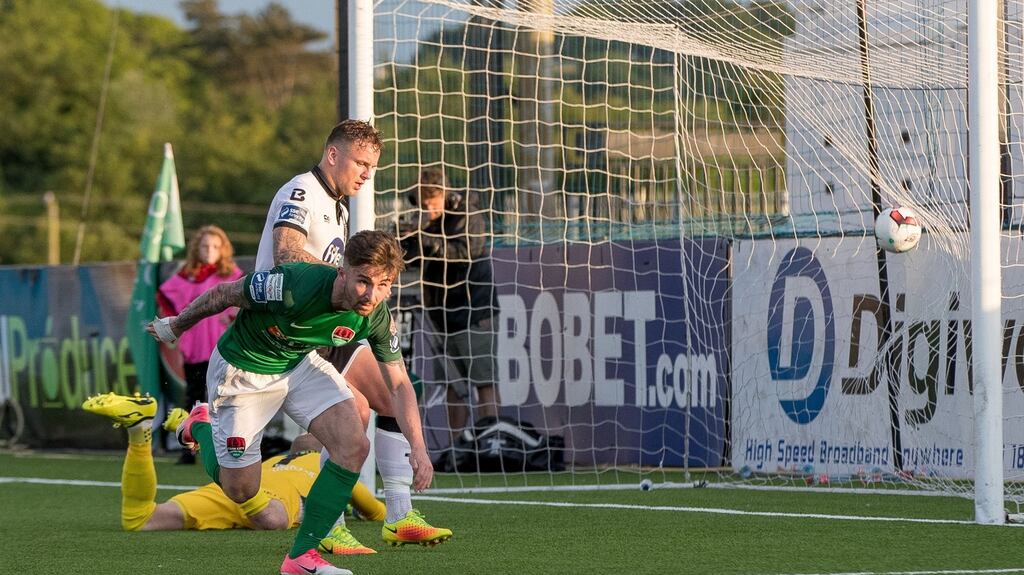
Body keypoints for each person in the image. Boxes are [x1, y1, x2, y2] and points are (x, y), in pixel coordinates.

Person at [146, 231, 440, 575]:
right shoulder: (291, 284)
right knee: (241, 490)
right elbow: (223, 294)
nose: (371, 295)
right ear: (343, 271)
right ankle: (200, 424)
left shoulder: (375, 315)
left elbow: (400, 383)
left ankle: (301, 557)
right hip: (243, 371)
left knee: (354, 445)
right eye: (363, 281)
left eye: (383, 284)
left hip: (299, 364)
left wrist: (418, 447)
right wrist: (176, 325)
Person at [254, 119, 452, 551]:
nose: (366, 173)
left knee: (364, 408)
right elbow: (285, 253)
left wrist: (359, 290)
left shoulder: (339, 205)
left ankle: (354, 518)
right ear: (333, 155)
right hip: (290, 326)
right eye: (360, 162)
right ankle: (378, 516)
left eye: (372, 166)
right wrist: (353, 282)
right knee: (376, 400)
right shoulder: (301, 191)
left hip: (325, 324)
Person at [80, 392, 384, 548]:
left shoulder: (275, 461)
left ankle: (140, 430)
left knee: (140, 518)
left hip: (236, 485)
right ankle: (197, 426)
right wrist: (378, 511)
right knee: (275, 520)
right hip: (264, 501)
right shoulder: (329, 467)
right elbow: (374, 511)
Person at [400, 166, 500, 445]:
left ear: (443, 195)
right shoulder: (426, 224)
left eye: (430, 203)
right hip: (441, 317)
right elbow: (414, 261)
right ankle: (457, 447)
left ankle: (492, 444)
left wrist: (426, 238)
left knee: (484, 382)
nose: (426, 209)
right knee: (453, 387)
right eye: (422, 204)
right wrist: (406, 240)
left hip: (473, 312)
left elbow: (466, 252)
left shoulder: (467, 213)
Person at [157, 225, 243, 464]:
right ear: (197, 248)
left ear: (223, 249)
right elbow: (165, 297)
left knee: (224, 398)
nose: (209, 251)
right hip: (194, 349)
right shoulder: (188, 275)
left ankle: (227, 448)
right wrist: (173, 326)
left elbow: (244, 302)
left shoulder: (232, 274)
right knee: (193, 398)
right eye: (205, 246)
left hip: (224, 348)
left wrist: (234, 314)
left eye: (215, 246)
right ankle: (188, 450)